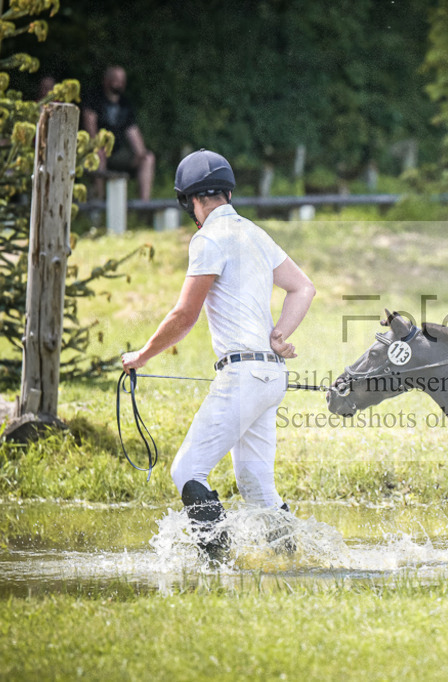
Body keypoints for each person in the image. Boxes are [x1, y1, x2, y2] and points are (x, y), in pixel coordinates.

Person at [121, 149, 316, 560]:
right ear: (226, 193)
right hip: (270, 375)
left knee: (186, 470)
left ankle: (216, 565)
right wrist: (279, 333)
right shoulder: (255, 233)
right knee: (256, 485)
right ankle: (293, 559)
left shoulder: (207, 237)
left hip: (243, 377)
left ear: (192, 201)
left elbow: (184, 314)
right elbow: (303, 288)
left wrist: (141, 355)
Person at [82, 65, 156, 201]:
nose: (118, 82)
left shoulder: (125, 104)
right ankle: (98, 204)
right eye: (115, 79)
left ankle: (144, 207)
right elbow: (90, 124)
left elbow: (132, 132)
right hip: (95, 152)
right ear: (105, 80)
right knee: (99, 155)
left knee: (148, 158)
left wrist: (141, 154)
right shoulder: (94, 98)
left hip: (117, 153)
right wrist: (96, 147)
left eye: (121, 79)